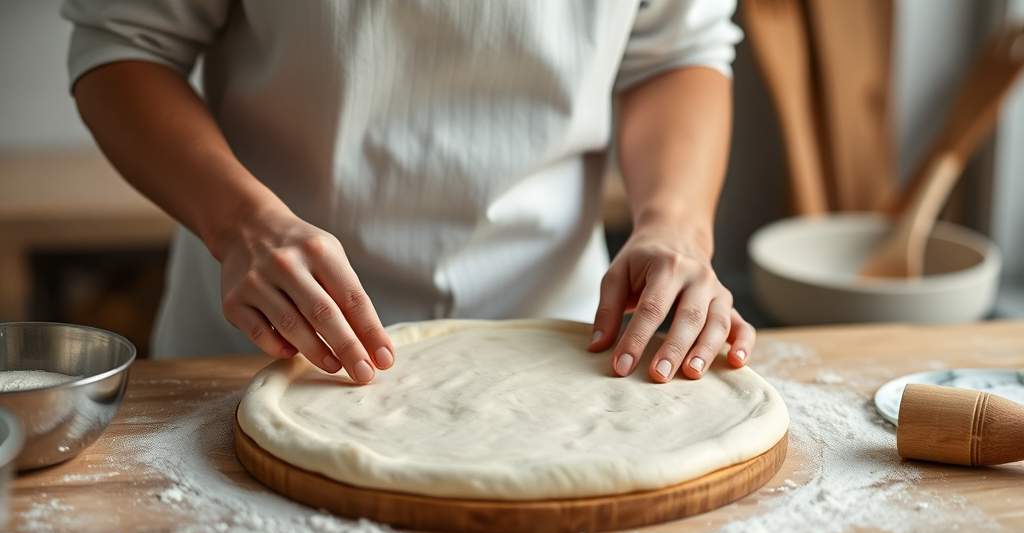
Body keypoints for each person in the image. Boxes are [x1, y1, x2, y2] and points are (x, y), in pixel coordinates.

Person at [63, 0, 756, 384]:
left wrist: (675, 225)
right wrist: (241, 224)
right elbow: (124, 44)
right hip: (266, 347)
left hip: (564, 348)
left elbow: (674, 54)